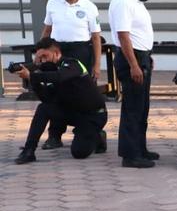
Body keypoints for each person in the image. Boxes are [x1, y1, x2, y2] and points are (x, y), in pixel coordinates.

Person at [14, 37, 107, 165]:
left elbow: (59, 77)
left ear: (57, 53)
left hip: (93, 115)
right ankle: (29, 150)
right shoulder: (50, 70)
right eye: (39, 57)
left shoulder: (73, 64)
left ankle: (97, 136)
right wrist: (33, 80)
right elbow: (46, 99)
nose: (42, 60)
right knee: (43, 108)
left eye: (45, 55)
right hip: (73, 112)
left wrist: (32, 75)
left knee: (79, 152)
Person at [39, 0, 103, 150]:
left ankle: (90, 132)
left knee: (80, 94)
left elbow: (96, 37)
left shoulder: (89, 7)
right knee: (56, 93)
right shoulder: (52, 3)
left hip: (81, 51)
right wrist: (41, 50)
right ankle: (54, 136)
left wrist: (97, 65)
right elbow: (47, 29)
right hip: (58, 50)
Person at [109, 0, 158, 168]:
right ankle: (130, 155)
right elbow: (123, 36)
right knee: (132, 109)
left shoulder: (134, 0)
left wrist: (147, 56)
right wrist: (135, 65)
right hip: (132, 60)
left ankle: (140, 148)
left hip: (141, 57)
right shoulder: (123, 1)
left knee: (142, 107)